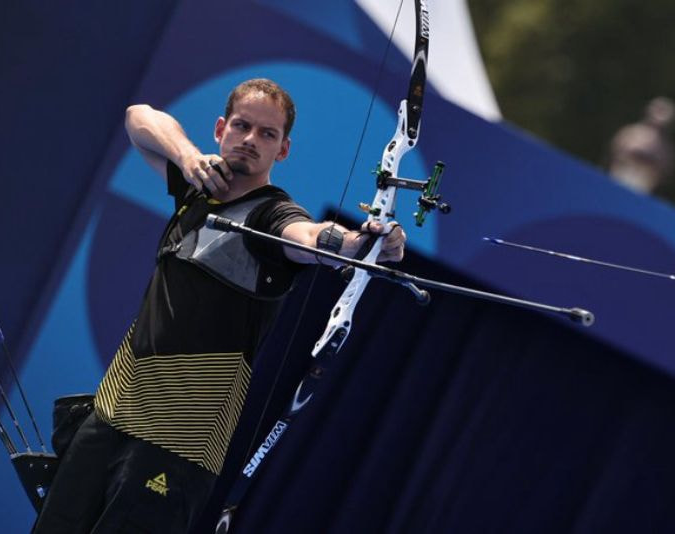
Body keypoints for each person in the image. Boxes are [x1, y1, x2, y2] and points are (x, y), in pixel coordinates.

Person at [33, 78, 406, 533]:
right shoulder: (197, 187)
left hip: (178, 447)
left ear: (283, 150)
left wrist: (358, 243)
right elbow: (138, 118)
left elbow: (309, 237)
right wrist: (188, 158)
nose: (250, 139)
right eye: (242, 126)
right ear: (220, 129)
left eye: (267, 134)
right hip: (110, 417)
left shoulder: (272, 215)